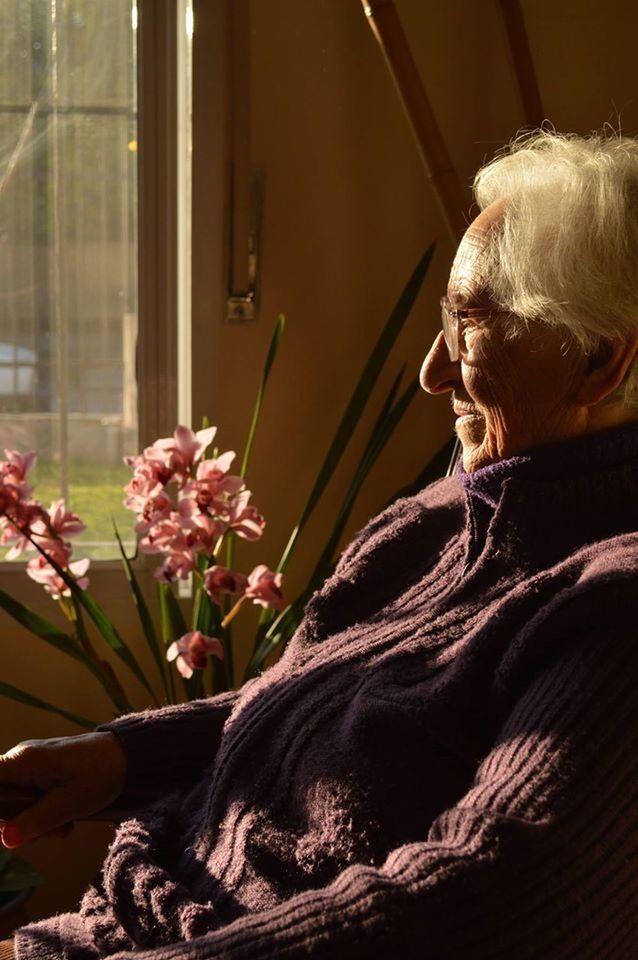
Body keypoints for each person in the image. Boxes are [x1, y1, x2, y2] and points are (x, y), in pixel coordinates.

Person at [3, 128, 638, 959]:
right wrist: (119, 757)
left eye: (470, 325)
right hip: (115, 922)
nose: (432, 372)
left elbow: (495, 900)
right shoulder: (432, 523)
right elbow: (313, 699)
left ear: (596, 362)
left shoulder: (610, 607)